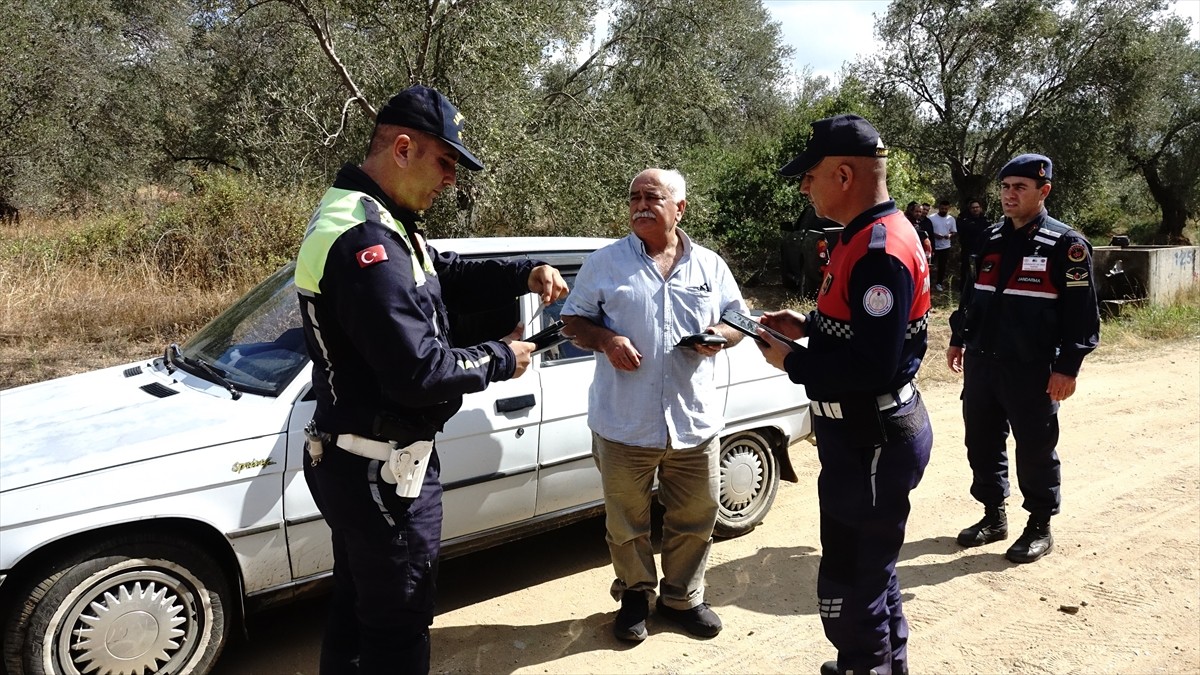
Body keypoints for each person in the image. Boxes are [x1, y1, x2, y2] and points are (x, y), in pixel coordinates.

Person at [293, 84, 569, 674]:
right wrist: (503, 355)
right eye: (445, 161)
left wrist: (527, 271)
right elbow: (420, 372)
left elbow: (448, 272)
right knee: (399, 624)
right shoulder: (364, 240)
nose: (451, 178)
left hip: (361, 459)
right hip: (381, 471)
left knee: (358, 606)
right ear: (401, 148)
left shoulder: (382, 220)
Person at [757, 114, 933, 675]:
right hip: (861, 439)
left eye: (808, 176)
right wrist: (808, 324)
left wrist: (793, 360)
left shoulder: (879, 247)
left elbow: (872, 366)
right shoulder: (864, 236)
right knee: (870, 574)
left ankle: (865, 664)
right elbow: (862, 327)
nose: (803, 187)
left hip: (870, 441)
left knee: (851, 587)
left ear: (842, 174)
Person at [560, 168, 746, 643]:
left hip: (693, 422)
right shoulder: (605, 263)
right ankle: (636, 597)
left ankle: (682, 598)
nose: (641, 205)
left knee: (695, 519)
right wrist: (606, 339)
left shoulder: (709, 266)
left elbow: (738, 320)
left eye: (653, 197)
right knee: (626, 524)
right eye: (634, 198)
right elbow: (572, 321)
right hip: (623, 424)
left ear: (679, 208)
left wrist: (718, 339)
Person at [946, 154, 1100, 565]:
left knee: (1034, 446)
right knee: (981, 440)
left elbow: (1082, 315)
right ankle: (993, 516)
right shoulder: (990, 238)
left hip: (1032, 368)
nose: (1009, 195)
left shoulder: (1066, 246)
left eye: (1020, 188)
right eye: (1005, 187)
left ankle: (1039, 524)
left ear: (1043, 191)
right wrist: (958, 337)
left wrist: (1068, 367)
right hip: (982, 362)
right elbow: (971, 294)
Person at [956, 199, 991, 292]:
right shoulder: (964, 220)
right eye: (973, 208)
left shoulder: (986, 220)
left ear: (980, 208)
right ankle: (964, 290)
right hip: (968, 250)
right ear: (970, 209)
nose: (975, 209)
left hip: (982, 250)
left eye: (977, 207)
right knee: (966, 270)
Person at [927, 199, 957, 291]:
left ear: (948, 209)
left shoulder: (951, 219)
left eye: (946, 209)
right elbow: (927, 231)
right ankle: (927, 283)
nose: (944, 210)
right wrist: (935, 235)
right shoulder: (931, 218)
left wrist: (949, 235)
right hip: (933, 246)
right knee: (929, 265)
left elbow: (954, 231)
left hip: (945, 246)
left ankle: (939, 283)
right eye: (942, 208)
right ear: (939, 207)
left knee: (942, 266)